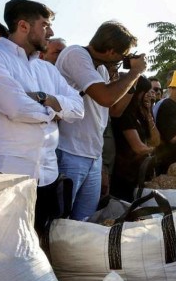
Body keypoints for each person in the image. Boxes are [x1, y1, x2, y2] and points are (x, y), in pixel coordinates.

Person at [0, 0, 84, 236]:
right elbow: (16, 107)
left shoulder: (47, 70)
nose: (51, 32)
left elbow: (79, 108)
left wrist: (45, 99)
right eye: (45, 25)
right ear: (23, 26)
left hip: (49, 176)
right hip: (9, 176)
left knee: (42, 245)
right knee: (7, 255)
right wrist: (55, 111)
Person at [56, 21, 146, 220]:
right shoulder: (76, 55)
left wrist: (133, 80)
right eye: (122, 56)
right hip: (70, 151)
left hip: (93, 155)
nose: (122, 60)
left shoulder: (101, 69)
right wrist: (134, 72)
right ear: (111, 51)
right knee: (60, 220)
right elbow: (105, 97)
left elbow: (114, 110)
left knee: (85, 220)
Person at [110, 76, 160, 201]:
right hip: (124, 176)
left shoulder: (141, 113)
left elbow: (155, 141)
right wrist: (157, 153)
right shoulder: (126, 114)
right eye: (146, 92)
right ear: (138, 93)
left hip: (139, 175)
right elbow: (139, 148)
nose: (150, 95)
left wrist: (149, 115)